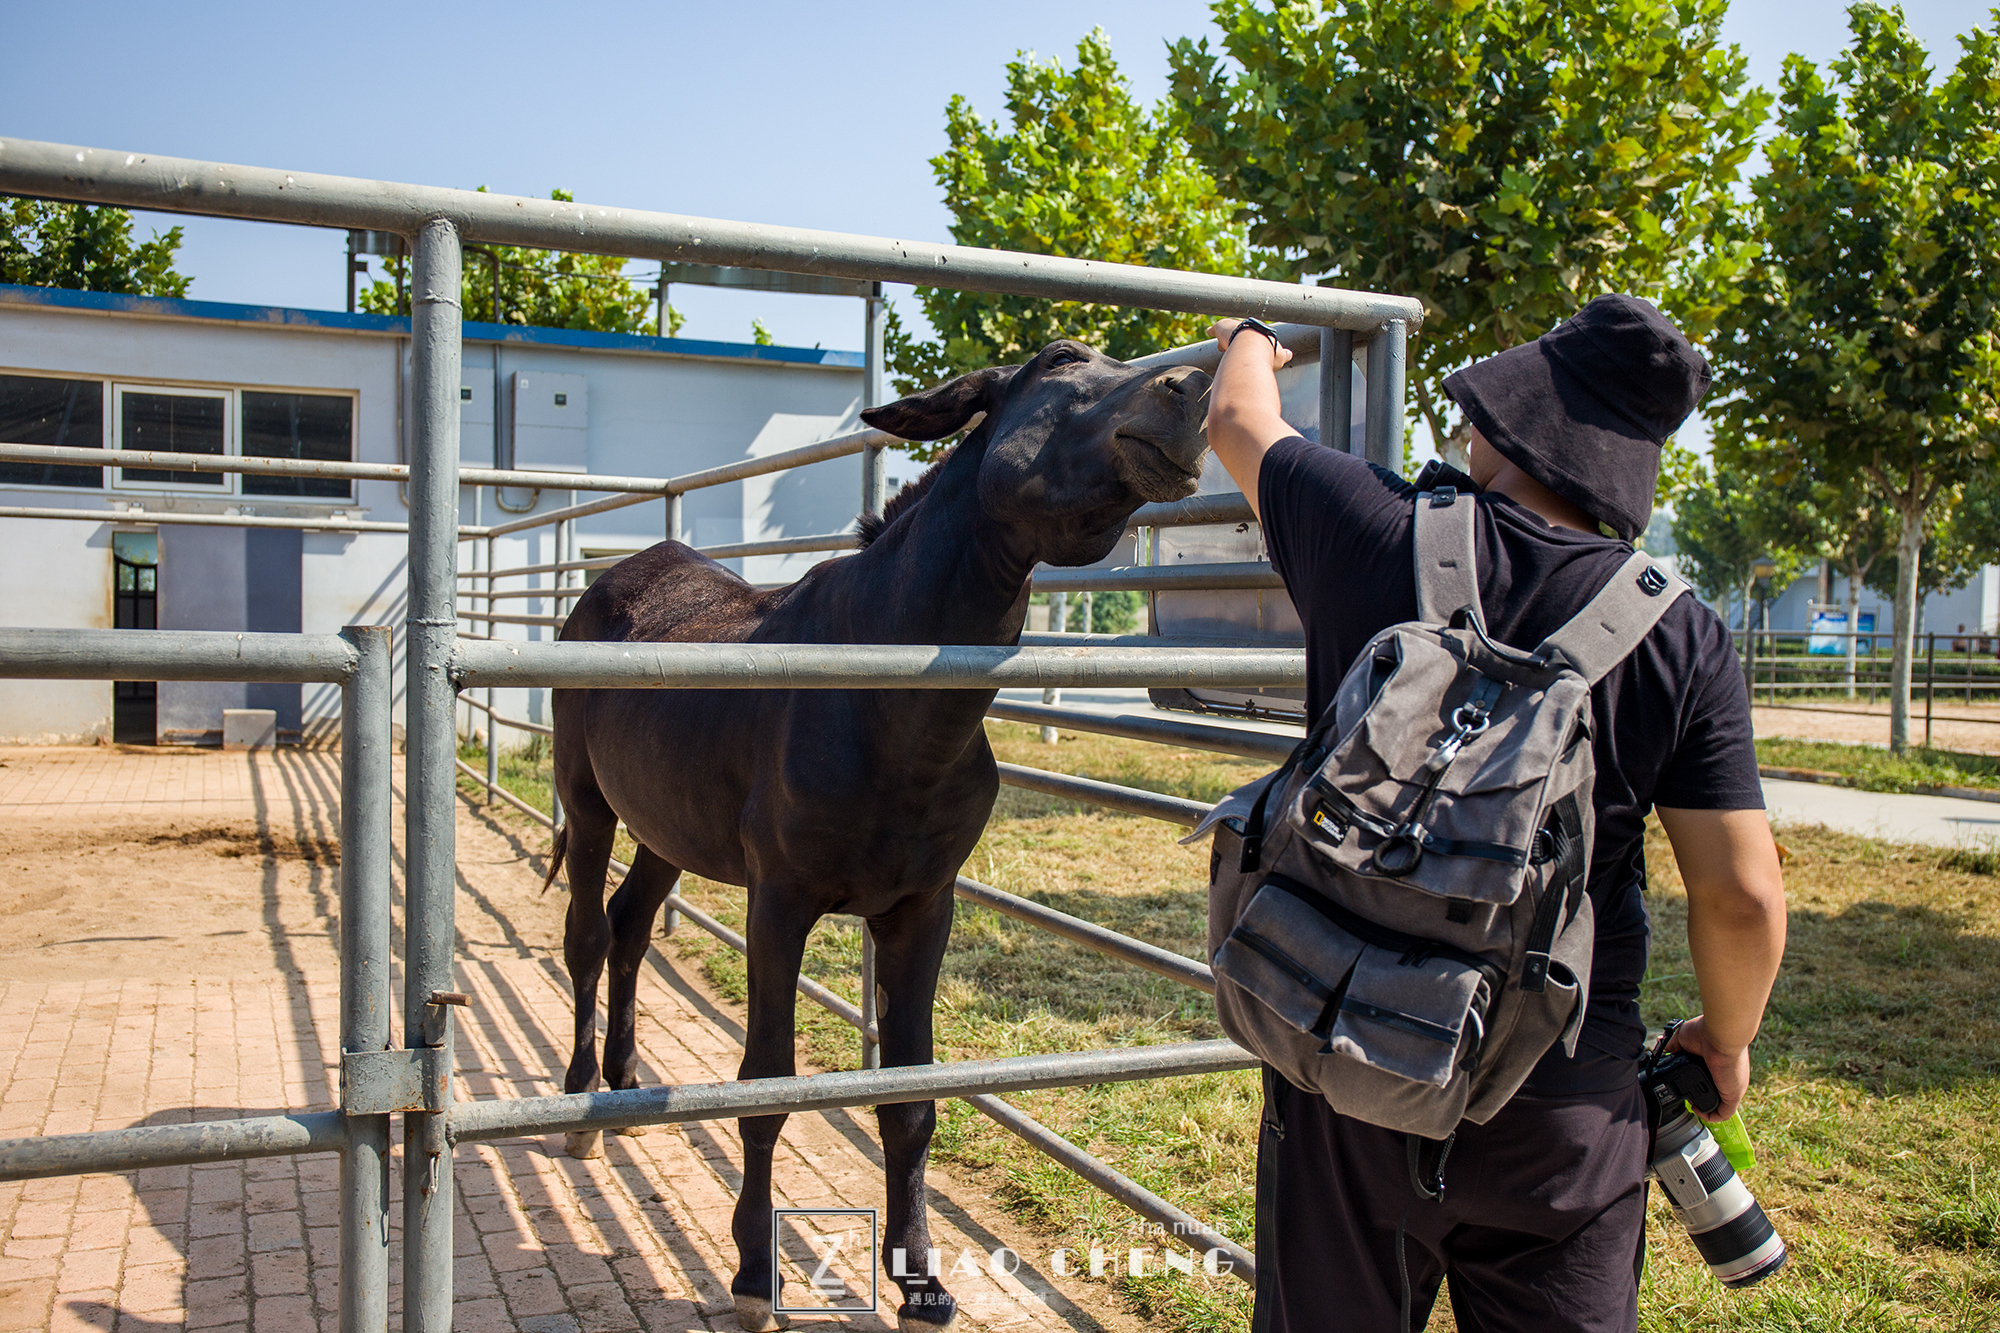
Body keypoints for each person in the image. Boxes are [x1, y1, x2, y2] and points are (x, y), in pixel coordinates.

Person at [1201, 295, 1788, 1333]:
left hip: (1344, 1057)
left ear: (1507, 424)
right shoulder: (1678, 631)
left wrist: (1250, 339)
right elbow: (1740, 892)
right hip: (1559, 1101)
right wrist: (1725, 1038)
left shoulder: (1371, 525)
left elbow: (1239, 421)